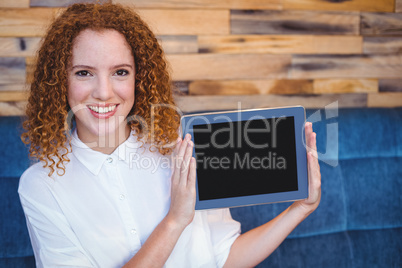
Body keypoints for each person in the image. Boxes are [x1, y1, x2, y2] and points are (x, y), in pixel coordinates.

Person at [19, 3, 321, 268]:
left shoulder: (182, 147)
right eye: (84, 73)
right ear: (59, 81)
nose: (104, 92)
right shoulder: (41, 186)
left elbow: (224, 258)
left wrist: (300, 209)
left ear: (139, 78)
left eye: (120, 72)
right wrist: (175, 220)